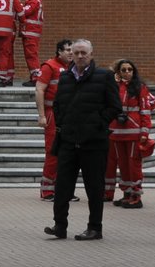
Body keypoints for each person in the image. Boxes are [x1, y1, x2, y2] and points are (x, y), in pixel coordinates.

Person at [46, 39, 121, 241]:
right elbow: (58, 103)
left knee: (94, 188)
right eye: (76, 52)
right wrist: (63, 123)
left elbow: (115, 106)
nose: (79, 56)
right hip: (68, 141)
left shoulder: (104, 76)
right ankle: (59, 226)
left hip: (94, 143)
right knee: (62, 187)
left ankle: (95, 228)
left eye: (83, 53)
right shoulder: (66, 77)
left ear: (91, 54)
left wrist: (97, 123)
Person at [107, 58, 155, 208]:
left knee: (133, 165)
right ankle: (127, 193)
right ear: (118, 72)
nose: (127, 72)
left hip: (134, 133)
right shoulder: (114, 86)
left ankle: (136, 195)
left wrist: (145, 132)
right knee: (123, 165)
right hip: (117, 132)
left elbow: (145, 110)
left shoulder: (140, 87)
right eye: (124, 70)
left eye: (130, 69)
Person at [33, 38, 73, 200]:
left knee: (69, 153)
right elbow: (39, 90)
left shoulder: (73, 68)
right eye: (68, 50)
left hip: (69, 116)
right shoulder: (49, 66)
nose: (72, 53)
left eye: (73, 50)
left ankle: (63, 189)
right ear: (59, 52)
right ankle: (48, 190)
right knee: (53, 151)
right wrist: (42, 116)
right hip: (53, 115)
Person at [20, 0, 45, 81]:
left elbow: (26, 12)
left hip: (31, 31)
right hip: (31, 31)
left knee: (31, 55)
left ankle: (35, 77)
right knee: (31, 54)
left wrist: (19, 5)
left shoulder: (34, 0)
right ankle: (34, 76)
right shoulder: (35, 0)